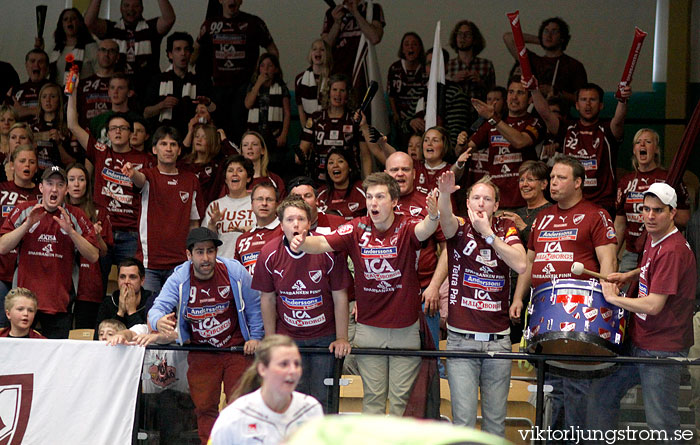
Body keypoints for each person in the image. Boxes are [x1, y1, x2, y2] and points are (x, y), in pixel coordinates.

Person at [290, 172, 440, 415]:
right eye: (369, 197)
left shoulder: (405, 225)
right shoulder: (356, 227)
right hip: (369, 328)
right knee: (373, 400)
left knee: (401, 401)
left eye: (380, 197)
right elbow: (322, 243)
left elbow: (426, 229)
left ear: (394, 202)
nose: (373, 203)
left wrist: (433, 214)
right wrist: (302, 243)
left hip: (405, 328)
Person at [510, 155, 616, 434]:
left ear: (578, 182)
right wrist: (519, 297)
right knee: (552, 389)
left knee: (576, 387)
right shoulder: (543, 217)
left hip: (580, 314)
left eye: (560, 178)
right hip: (544, 313)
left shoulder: (596, 214)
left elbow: (609, 263)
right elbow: (529, 262)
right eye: (552, 177)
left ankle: (575, 441)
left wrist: (608, 298)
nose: (553, 183)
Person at [589, 182, 696, 440]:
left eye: (657, 210)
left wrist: (614, 299)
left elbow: (654, 305)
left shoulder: (673, 250)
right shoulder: (654, 237)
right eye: (645, 209)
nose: (649, 216)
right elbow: (650, 267)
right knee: (601, 393)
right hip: (643, 341)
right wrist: (630, 274)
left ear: (672, 213)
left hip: (661, 349)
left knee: (662, 423)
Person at [148, 227, 264, 444]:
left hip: (236, 348)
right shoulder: (180, 277)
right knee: (204, 408)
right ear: (188, 255)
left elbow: (254, 306)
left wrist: (255, 337)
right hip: (202, 350)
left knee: (241, 405)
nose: (206, 258)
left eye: (210, 251)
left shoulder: (235, 271)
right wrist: (158, 321)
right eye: (199, 252)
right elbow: (157, 308)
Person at [437, 172, 526, 435]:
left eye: (487, 199)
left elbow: (521, 263)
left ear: (496, 206)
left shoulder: (505, 229)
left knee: (495, 424)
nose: (481, 203)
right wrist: (444, 194)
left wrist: (488, 234)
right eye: (475, 197)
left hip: (498, 342)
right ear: (467, 203)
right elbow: (444, 218)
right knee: (463, 423)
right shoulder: (459, 227)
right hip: (460, 341)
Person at [253, 196, 352, 412]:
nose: (296, 224)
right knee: (288, 400)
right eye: (289, 219)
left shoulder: (328, 251)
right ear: (281, 225)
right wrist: (272, 340)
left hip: (324, 338)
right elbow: (267, 298)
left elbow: (340, 295)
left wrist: (342, 337)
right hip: (288, 338)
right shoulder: (268, 254)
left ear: (309, 223)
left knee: (322, 402)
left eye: (300, 219)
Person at [67, 79, 153, 289]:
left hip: (131, 232)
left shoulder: (145, 159)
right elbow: (72, 125)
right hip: (100, 229)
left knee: (131, 287)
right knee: (95, 287)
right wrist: (72, 92)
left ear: (131, 133)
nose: (117, 132)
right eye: (113, 128)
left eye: (122, 128)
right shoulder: (100, 151)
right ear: (107, 133)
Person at [0, 166, 99, 338]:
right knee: (21, 358)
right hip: (25, 303)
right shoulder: (25, 210)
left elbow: (94, 255)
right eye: (49, 183)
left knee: (54, 361)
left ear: (66, 190)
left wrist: (71, 232)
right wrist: (26, 225)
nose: (54, 189)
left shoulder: (75, 215)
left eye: (60, 184)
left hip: (59, 303)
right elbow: (2, 247)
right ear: (40, 187)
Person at [529, 79, 631, 217]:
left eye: (593, 100)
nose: (588, 104)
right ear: (576, 105)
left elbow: (619, 119)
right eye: (583, 99)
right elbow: (546, 114)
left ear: (601, 105)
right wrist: (534, 89)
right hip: (570, 202)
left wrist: (623, 100)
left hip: (603, 204)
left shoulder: (608, 129)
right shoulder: (566, 128)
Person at [121, 126, 204, 294]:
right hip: (149, 264)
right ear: (154, 149)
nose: (168, 148)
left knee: (179, 315)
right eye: (163, 144)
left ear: (179, 150)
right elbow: (139, 180)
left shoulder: (191, 180)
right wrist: (132, 173)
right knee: (150, 315)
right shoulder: (148, 176)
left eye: (173, 144)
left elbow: (194, 223)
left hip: (180, 263)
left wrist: (192, 256)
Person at [208, 334, 323, 445]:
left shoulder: (311, 409)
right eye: (284, 364)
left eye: (297, 364)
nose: (293, 371)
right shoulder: (233, 416)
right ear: (262, 369)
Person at [384, 151, 447, 350]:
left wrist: (435, 287)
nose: (400, 174)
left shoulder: (428, 203)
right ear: (386, 173)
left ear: (414, 174)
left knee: (430, 363)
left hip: (424, 296)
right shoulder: (376, 205)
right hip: (386, 297)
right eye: (394, 170)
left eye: (405, 169)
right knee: (393, 359)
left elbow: (447, 249)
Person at [195, 0, 278, 141]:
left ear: (241, 1)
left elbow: (272, 50)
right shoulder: (210, 24)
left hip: (244, 87)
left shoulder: (254, 23)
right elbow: (196, 48)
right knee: (218, 129)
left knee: (239, 128)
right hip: (218, 87)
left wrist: (266, 74)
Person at [614, 128, 690, 272]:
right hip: (631, 254)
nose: (642, 145)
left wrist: (658, 214)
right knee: (625, 293)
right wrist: (611, 258)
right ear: (634, 150)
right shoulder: (625, 182)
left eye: (648, 142)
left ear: (656, 149)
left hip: (661, 250)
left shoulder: (670, 179)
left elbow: (685, 218)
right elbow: (619, 224)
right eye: (638, 142)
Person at [465, 77, 545, 209]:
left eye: (520, 93)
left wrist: (493, 118)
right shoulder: (491, 123)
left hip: (524, 202)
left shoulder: (535, 122)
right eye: (511, 92)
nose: (514, 97)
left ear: (530, 99)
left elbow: (520, 141)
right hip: (496, 202)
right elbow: (465, 150)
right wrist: (461, 142)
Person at [85, 0, 176, 95]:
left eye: (136, 6)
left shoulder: (151, 28)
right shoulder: (112, 29)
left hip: (149, 93)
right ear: (120, 8)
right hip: (118, 92)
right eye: (126, 5)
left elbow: (169, 19)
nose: (131, 9)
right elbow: (89, 22)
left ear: (142, 8)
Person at [300, 74, 372, 181]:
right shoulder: (316, 118)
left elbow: (365, 156)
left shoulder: (355, 119)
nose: (338, 94)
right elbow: (302, 152)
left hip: (349, 179)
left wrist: (368, 184)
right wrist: (300, 157)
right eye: (334, 89)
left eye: (342, 90)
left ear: (348, 94)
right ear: (328, 92)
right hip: (319, 178)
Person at [67, 162, 112, 329]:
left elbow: (105, 252)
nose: (76, 184)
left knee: (84, 332)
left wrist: (97, 236)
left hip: (89, 281)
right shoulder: (57, 209)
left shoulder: (99, 211)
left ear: (88, 183)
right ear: (65, 184)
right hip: (62, 280)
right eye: (71, 179)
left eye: (81, 179)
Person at [503, 17, 587, 104]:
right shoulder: (534, 61)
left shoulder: (574, 65)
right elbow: (508, 38)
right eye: (546, 31)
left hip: (560, 114)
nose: (549, 35)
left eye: (554, 32)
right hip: (534, 112)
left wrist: (557, 93)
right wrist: (541, 40)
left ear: (562, 38)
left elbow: (582, 98)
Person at [0, 145, 40, 326]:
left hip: (30, 270)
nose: (27, 165)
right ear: (11, 165)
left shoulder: (42, 194)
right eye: (22, 161)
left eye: (32, 162)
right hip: (2, 267)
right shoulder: (2, 190)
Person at [144, 31, 213, 133]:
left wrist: (208, 103)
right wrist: (162, 105)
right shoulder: (158, 80)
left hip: (193, 134)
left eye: (187, 49)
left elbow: (214, 111)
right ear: (170, 54)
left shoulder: (201, 80)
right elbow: (146, 113)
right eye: (178, 49)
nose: (183, 53)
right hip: (164, 134)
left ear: (190, 54)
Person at [321, 0, 385, 95]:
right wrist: (337, 22)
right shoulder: (333, 12)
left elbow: (375, 37)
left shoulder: (372, 8)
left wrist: (356, 13)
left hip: (364, 74)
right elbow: (325, 46)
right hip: (338, 74)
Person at [202, 154, 255, 258]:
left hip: (250, 263)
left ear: (248, 177)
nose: (234, 174)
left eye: (240, 170)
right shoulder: (215, 206)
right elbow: (206, 243)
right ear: (226, 179)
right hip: (222, 265)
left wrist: (250, 230)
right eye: (230, 170)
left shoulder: (257, 203)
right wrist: (212, 224)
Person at [245, 53, 291, 170]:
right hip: (256, 131)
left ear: (275, 69)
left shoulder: (281, 87)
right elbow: (248, 104)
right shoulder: (253, 86)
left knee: (274, 164)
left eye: (269, 66)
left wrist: (283, 135)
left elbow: (286, 113)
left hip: (274, 134)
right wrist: (258, 84)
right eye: (262, 66)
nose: (265, 69)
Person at [446, 20, 495, 126]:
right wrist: (452, 81)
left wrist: (480, 82)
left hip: (479, 118)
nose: (462, 38)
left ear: (474, 39)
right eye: (459, 34)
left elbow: (494, 94)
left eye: (467, 34)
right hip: (454, 118)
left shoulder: (486, 65)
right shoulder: (448, 65)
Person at [387, 32, 426, 147]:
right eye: (407, 44)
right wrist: (395, 114)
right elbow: (391, 94)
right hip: (400, 116)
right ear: (402, 49)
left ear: (420, 48)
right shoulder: (395, 68)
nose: (410, 47)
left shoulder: (425, 68)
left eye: (414, 44)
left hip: (420, 115)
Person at [234, 182, 281, 275]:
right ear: (252, 204)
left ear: (277, 205)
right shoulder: (242, 239)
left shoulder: (286, 232)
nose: (264, 203)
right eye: (259, 199)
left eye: (269, 199)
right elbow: (238, 276)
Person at [96, 257, 153, 331]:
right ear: (118, 280)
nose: (126, 281)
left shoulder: (152, 301)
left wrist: (132, 312)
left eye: (132, 277)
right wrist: (120, 313)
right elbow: (99, 337)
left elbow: (146, 337)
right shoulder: (108, 302)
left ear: (142, 280)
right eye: (122, 277)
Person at [45, 8, 97, 86]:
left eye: (73, 18)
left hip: (83, 94)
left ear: (79, 22)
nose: (69, 21)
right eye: (65, 19)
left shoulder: (91, 47)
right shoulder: (54, 49)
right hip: (58, 95)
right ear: (61, 25)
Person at [75, 39, 119, 128]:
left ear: (117, 57)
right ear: (97, 54)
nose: (106, 54)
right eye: (103, 50)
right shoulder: (83, 84)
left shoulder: (122, 85)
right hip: (85, 135)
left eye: (111, 51)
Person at [32, 82, 75, 173]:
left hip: (59, 176)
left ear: (59, 99)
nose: (48, 100)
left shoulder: (67, 128)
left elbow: (73, 163)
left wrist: (59, 144)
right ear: (40, 101)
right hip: (37, 177)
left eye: (52, 96)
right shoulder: (32, 127)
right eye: (44, 97)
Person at [89, 73, 140, 145]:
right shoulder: (97, 121)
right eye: (112, 88)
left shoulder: (137, 120)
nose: (115, 92)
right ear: (109, 92)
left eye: (120, 88)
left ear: (130, 93)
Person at [317, 148, 366, 220]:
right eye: (331, 163)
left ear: (350, 167)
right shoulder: (320, 194)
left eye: (340, 161)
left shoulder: (363, 190)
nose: (335, 165)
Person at [295, 39, 332, 128]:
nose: (318, 52)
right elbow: (300, 109)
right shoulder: (300, 79)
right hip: (309, 127)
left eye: (322, 49)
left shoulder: (333, 78)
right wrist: (306, 131)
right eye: (314, 49)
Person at [6, 49, 50, 121]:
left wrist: (26, 111)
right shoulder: (15, 89)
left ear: (47, 67)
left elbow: (59, 114)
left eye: (41, 62)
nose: (36, 65)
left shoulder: (55, 89)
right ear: (26, 65)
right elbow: (4, 115)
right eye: (32, 61)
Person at [240, 130, 286, 197]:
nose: (249, 147)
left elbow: (283, 205)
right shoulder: (235, 180)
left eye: (254, 144)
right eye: (245, 145)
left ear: (263, 150)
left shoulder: (275, 179)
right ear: (241, 152)